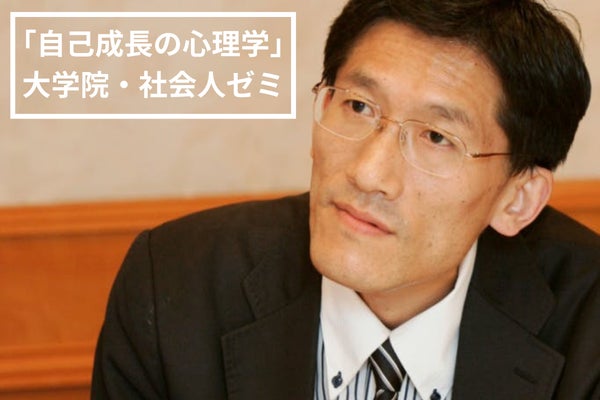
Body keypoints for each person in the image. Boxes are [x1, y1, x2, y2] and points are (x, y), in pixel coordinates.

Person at [91, 0, 600, 399]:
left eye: (437, 138)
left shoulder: (589, 325)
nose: (368, 173)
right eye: (358, 106)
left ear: (517, 199)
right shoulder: (174, 284)